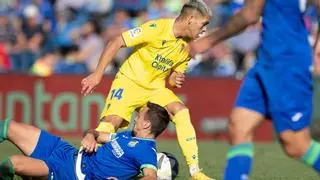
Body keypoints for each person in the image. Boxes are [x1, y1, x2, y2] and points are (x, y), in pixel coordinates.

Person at [81, 0, 213, 179]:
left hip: (155, 89)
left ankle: (195, 171)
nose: (205, 30)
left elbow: (174, 79)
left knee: (181, 111)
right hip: (129, 82)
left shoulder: (188, 46)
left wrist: (175, 79)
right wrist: (97, 74)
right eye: (203, 24)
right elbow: (116, 42)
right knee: (111, 123)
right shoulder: (156, 28)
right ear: (190, 19)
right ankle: (84, 167)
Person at [190, 0, 320, 179]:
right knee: (239, 125)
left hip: (287, 63)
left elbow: (250, 14)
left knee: (296, 144)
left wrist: (207, 41)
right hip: (267, 60)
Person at [0, 102, 170, 180]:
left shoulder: (147, 151)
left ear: (146, 124)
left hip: (70, 173)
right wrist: (90, 135)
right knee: (8, 127)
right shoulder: (127, 135)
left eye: (139, 116)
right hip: (66, 151)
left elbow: (151, 177)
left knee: (12, 164)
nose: (135, 118)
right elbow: (96, 134)